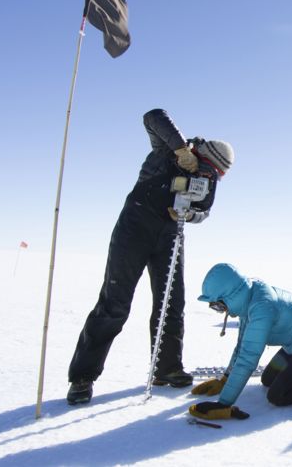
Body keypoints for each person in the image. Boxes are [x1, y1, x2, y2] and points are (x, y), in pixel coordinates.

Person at [67, 108, 235, 405]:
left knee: (171, 303)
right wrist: (181, 149)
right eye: (204, 167)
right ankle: (83, 377)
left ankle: (167, 369)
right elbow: (153, 115)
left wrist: (190, 213)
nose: (206, 175)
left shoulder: (209, 179)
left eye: (214, 174)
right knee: (114, 304)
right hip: (134, 229)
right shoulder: (166, 151)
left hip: (170, 234)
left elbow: (204, 211)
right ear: (199, 153)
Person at [188, 263, 292, 421]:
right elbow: (241, 346)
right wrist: (225, 380)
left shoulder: (262, 307)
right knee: (268, 379)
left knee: (279, 395)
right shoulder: (248, 299)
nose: (220, 311)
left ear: (232, 295)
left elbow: (248, 357)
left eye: (218, 306)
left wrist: (224, 403)